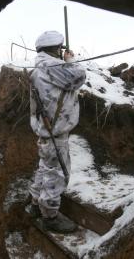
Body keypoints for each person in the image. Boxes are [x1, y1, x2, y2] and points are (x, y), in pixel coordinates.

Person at [28, 30, 86, 233]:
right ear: (54, 48)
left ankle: (35, 204)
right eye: (60, 48)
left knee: (45, 168)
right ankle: (50, 216)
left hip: (46, 130)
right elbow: (78, 77)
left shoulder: (38, 68)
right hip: (55, 132)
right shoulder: (52, 66)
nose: (62, 52)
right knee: (57, 174)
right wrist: (71, 60)